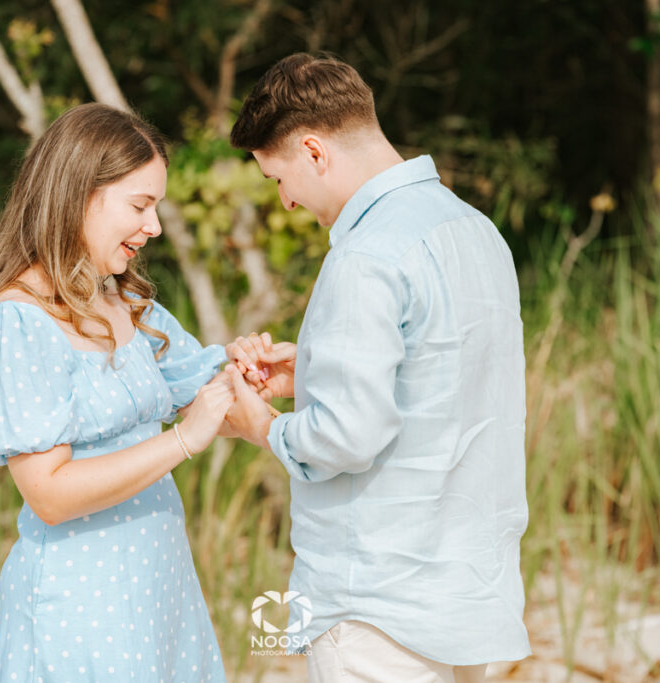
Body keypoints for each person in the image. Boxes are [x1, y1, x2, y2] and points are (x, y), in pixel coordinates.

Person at [224, 53, 531, 682]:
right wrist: (309, 375)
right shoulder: (477, 232)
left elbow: (344, 437)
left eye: (277, 178)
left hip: (374, 603)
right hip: (468, 593)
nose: (284, 202)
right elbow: (444, 386)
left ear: (313, 151)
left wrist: (260, 424)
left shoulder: (365, 254)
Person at [0, 103, 235, 682]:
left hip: (159, 592)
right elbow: (50, 495)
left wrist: (267, 374)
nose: (154, 226)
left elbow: (211, 397)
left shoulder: (128, 304)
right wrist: (183, 442)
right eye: (140, 205)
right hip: (80, 607)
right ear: (78, 194)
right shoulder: (20, 324)